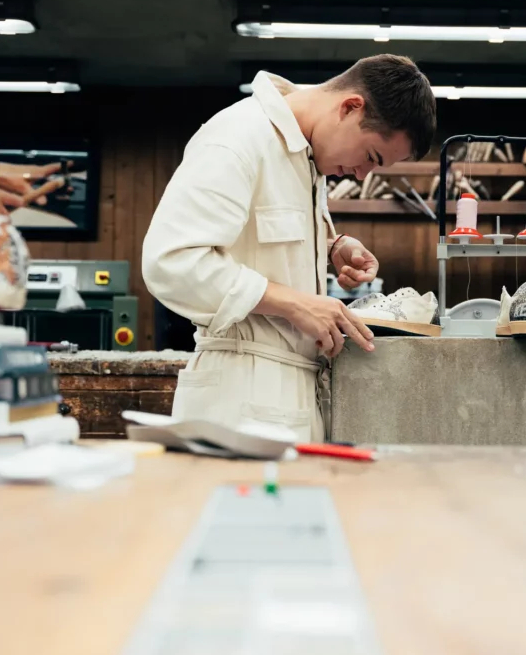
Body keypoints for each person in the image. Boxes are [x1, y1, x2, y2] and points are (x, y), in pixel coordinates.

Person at [142, 55, 437, 442]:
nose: (362, 174)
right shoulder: (239, 137)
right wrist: (295, 304)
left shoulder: (305, 153)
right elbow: (170, 262)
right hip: (239, 394)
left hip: (290, 393)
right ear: (350, 107)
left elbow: (254, 235)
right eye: (370, 157)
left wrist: (330, 245)